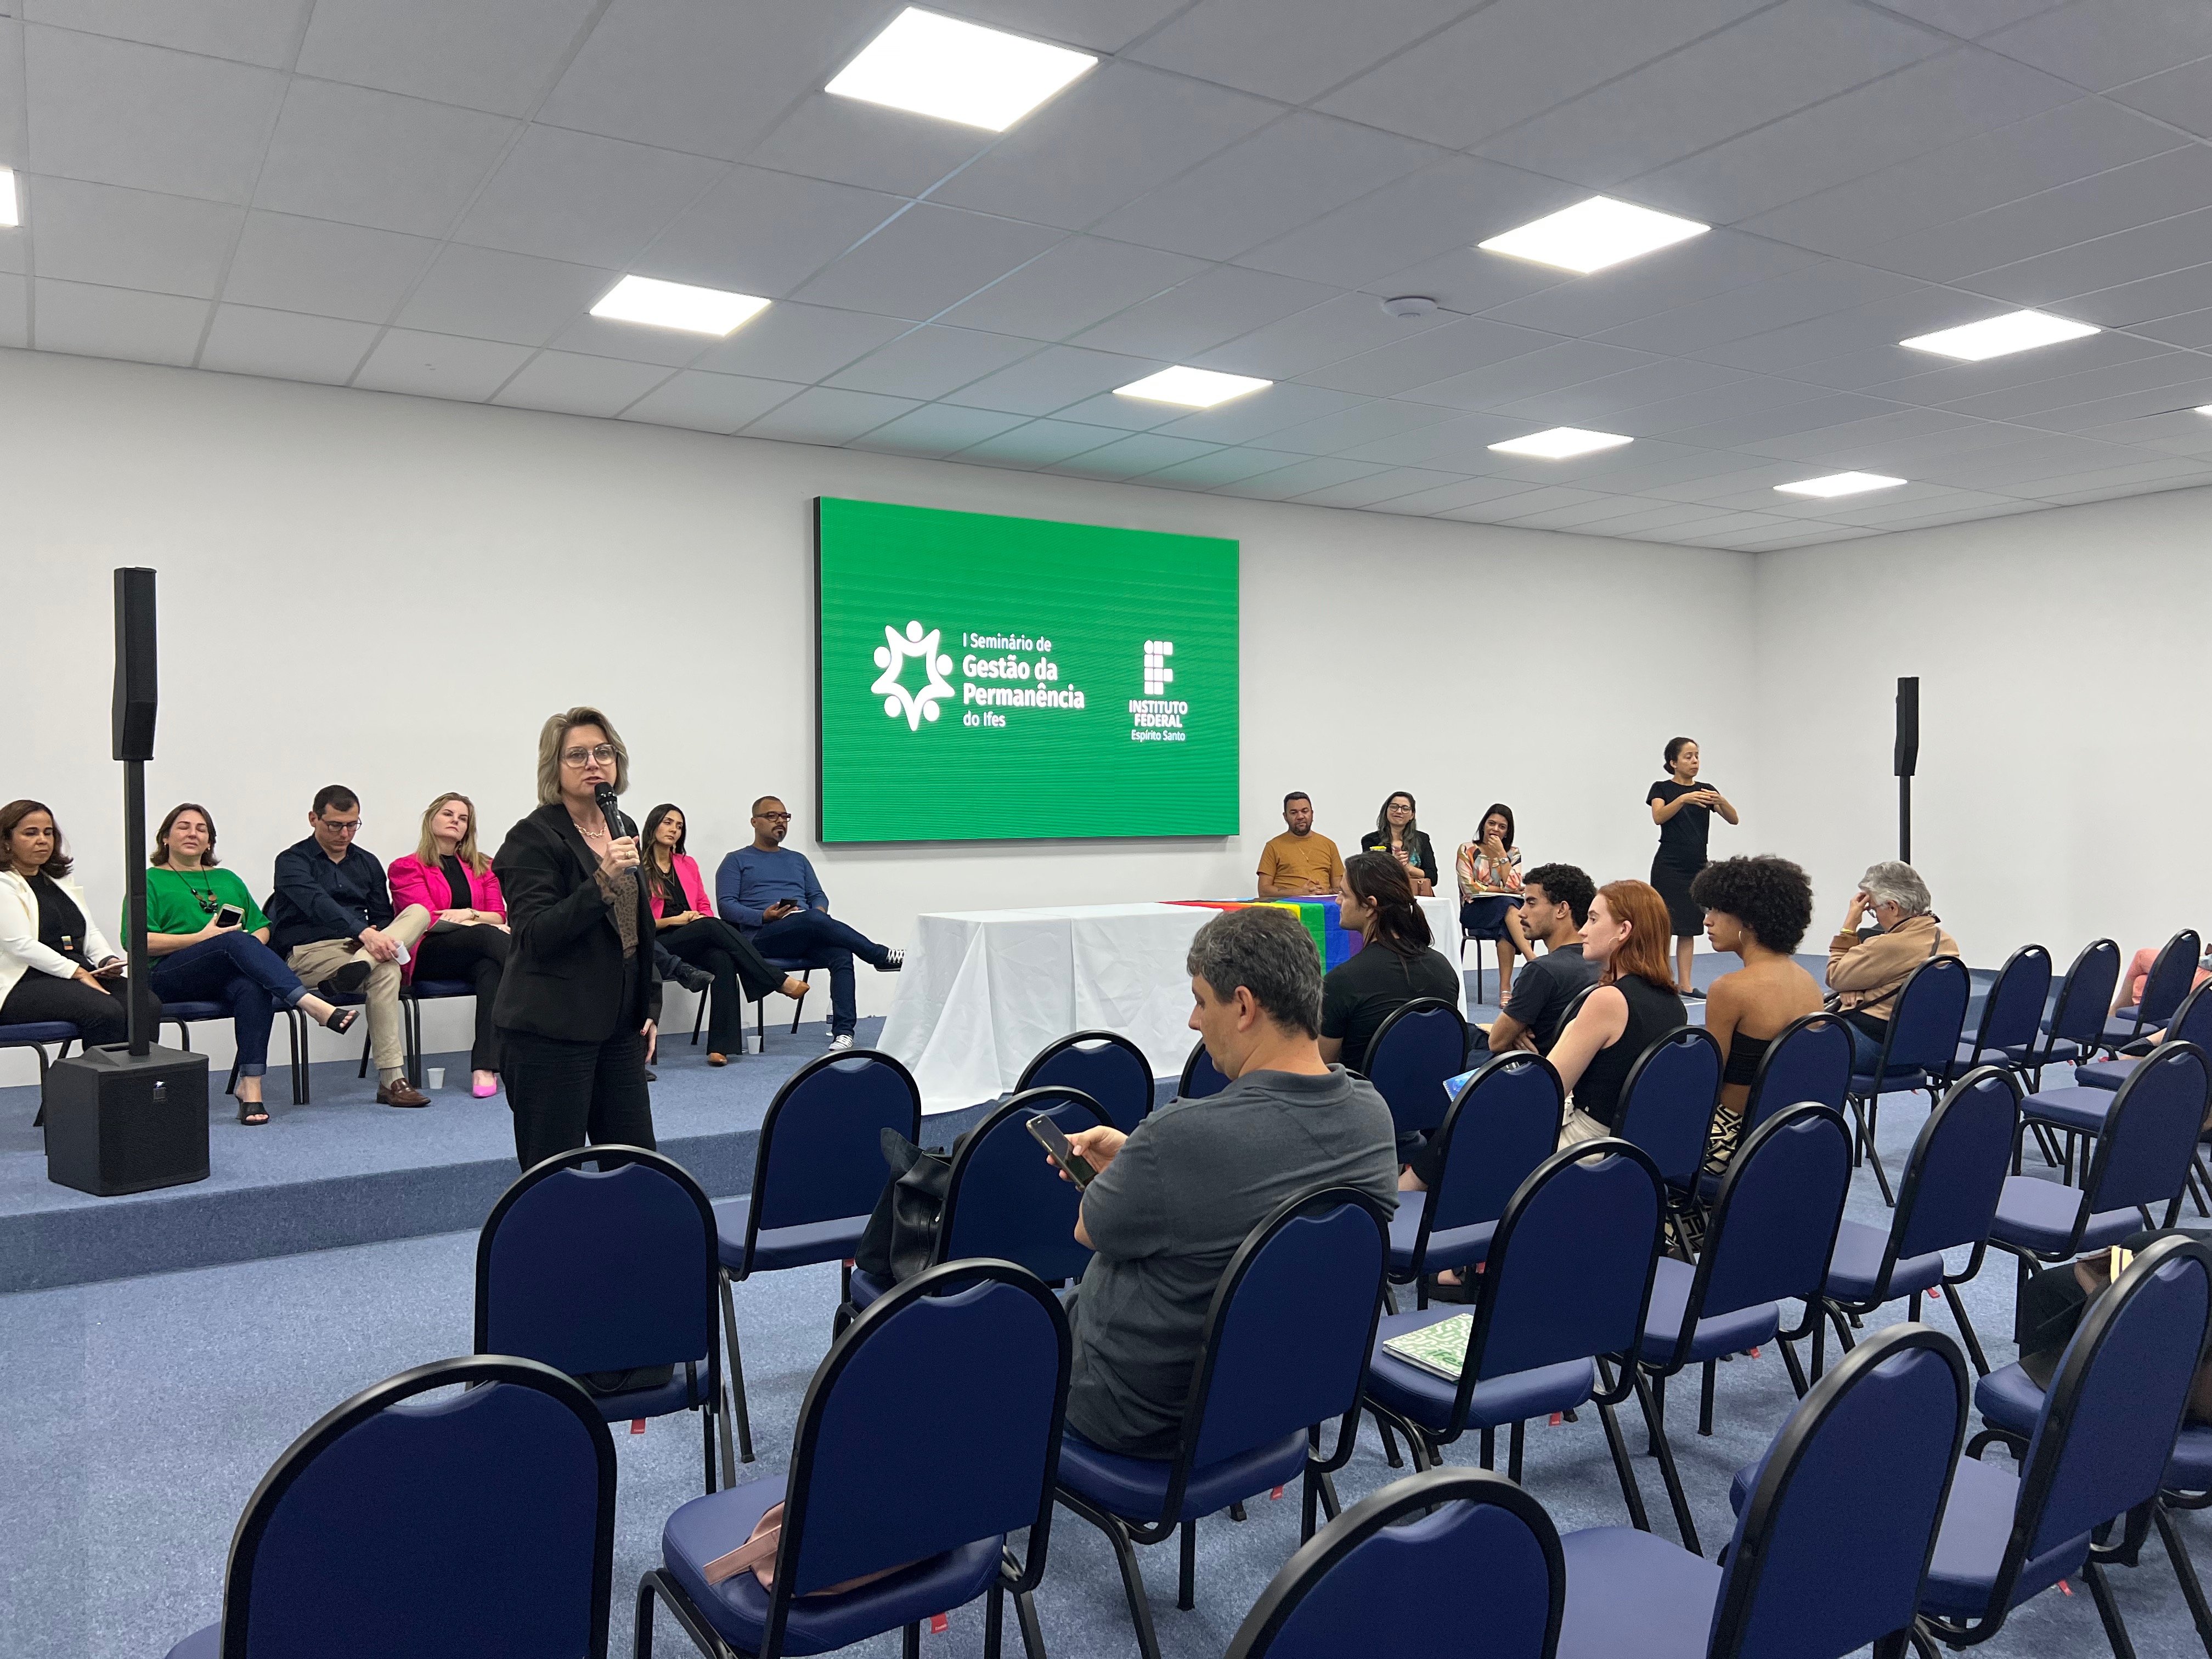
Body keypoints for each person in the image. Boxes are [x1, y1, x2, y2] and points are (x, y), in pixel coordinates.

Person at [1050, 905, 1398, 1455]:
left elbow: (1090, 1230)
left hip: (1142, 1413)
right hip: (1284, 1393)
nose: (1194, 1021)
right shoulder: (1372, 1115)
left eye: (1200, 1001)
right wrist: (1143, 1162)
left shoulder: (1177, 1136)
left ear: (1242, 1006)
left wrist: (1146, 1158)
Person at [491, 707, 661, 1170]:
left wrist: (648, 1005)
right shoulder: (531, 838)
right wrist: (602, 880)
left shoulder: (623, 826)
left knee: (635, 1165)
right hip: (551, 1029)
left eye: (603, 752)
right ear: (555, 768)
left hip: (619, 1027)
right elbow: (535, 936)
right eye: (577, 755)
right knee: (554, 1173)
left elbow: (635, 931)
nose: (593, 763)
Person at [141, 802, 360, 1125]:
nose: (193, 834)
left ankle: (251, 1087)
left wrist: (244, 945)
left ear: (210, 842)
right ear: (165, 838)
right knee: (232, 940)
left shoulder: (227, 879)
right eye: (184, 827)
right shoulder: (149, 881)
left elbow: (262, 927)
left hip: (223, 973)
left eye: (202, 829)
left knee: (252, 985)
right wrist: (203, 939)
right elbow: (138, 941)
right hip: (169, 975)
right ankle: (312, 1005)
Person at [266, 786, 433, 1108]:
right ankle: (392, 1079)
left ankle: (363, 963)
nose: (345, 834)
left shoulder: (367, 862)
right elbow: (318, 904)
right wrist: (365, 933)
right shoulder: (291, 861)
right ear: (313, 819)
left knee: (419, 913)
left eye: (352, 825)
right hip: (309, 951)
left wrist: (372, 936)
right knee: (387, 970)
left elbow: (383, 917)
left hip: (357, 949)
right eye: (335, 825)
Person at [714, 796, 901, 1055]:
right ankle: (879, 955)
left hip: (805, 930)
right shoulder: (736, 860)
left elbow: (817, 896)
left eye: (785, 816)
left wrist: (820, 915)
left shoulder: (798, 859)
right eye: (772, 816)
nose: (780, 821)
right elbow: (726, 906)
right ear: (754, 822)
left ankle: (844, 1033)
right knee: (813, 919)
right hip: (763, 937)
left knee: (841, 953)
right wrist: (763, 916)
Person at [640, 802, 805, 1066]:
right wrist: (676, 920)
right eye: (668, 823)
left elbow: (703, 904)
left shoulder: (687, 864)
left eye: (679, 826)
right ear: (653, 825)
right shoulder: (637, 867)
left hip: (691, 935)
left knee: (722, 958)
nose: (674, 830)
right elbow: (635, 922)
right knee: (711, 927)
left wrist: (699, 917)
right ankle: (776, 980)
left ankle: (721, 1047)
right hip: (656, 942)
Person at [1691, 855, 1825, 1168]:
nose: (1707, 921)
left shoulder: (1729, 989)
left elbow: (1708, 1080)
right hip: (1789, 1134)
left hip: (1731, 1141)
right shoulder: (1810, 984)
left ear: (1750, 921)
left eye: (1718, 910)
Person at [0, 799, 158, 1049]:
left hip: (74, 975)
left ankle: (142, 1074)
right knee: (105, 1011)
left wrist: (106, 960)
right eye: (31, 833)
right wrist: (77, 971)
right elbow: (19, 944)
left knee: (146, 1004)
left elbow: (88, 931)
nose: (42, 840)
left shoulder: (59, 882)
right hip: (22, 982)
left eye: (48, 833)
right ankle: (104, 1076)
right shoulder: (4, 884)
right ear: (6, 841)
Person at [387, 792, 510, 1099]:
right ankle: (543, 979)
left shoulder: (483, 866)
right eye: (448, 814)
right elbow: (426, 918)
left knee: (491, 968)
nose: (456, 821)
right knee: (489, 937)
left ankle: (485, 1067)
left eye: (463, 818)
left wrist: (469, 914)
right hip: (427, 953)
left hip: (475, 950)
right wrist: (481, 923)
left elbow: (499, 914)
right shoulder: (406, 867)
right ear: (431, 819)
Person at [1549, 879, 1686, 1137]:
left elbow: (1549, 1089)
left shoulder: (1609, 1000)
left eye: (1593, 919)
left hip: (1589, 1142)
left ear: (1623, 931)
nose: (1582, 931)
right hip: (1637, 1142)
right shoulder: (1674, 1003)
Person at [1318, 853, 1461, 1074]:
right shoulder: (1443, 968)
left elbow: (1321, 1070)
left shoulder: (1342, 981)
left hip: (1364, 1094)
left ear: (1370, 906)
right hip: (1433, 1093)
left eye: (1344, 894)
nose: (1337, 901)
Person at [1826, 860, 1959, 1074]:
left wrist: (1849, 926)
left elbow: (1834, 975)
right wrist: (1850, 985)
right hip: (1918, 1051)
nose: (1876, 917)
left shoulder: (1886, 946)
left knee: (1790, 1046)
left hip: (1876, 1051)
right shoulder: (1946, 942)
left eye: (1873, 910)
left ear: (1893, 907)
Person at [1647, 737, 1739, 1000]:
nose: (1695, 761)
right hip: (1669, 865)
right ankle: (1661, 980)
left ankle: (1685, 985)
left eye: (1697, 756)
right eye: (1688, 757)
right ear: (1673, 762)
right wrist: (1684, 799)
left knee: (1688, 927)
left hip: (1697, 866)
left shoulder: (1706, 790)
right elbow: (1659, 817)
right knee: (1665, 925)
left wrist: (1721, 801)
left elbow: (1733, 819)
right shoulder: (1661, 788)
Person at [1485, 862, 1601, 1056]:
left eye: (1531, 903)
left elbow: (1497, 1042)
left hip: (1531, 1065)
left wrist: (1515, 1032)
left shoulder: (1542, 970)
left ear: (1562, 910)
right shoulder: (1604, 963)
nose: (1521, 912)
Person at [1455, 802, 1534, 1000]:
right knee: (1507, 904)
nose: (1495, 829)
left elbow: (1514, 883)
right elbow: (1470, 888)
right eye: (1492, 823)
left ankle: (1505, 989)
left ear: (1507, 832)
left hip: (1505, 913)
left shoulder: (1513, 853)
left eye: (1502, 827)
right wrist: (1504, 889)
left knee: (1505, 921)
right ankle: (1532, 959)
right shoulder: (1467, 849)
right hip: (1475, 910)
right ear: (1484, 825)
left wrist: (1501, 855)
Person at [1255, 792, 1343, 899]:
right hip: (1287, 906)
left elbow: (1340, 889)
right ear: (1285, 817)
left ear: (1312, 813)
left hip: (1323, 904)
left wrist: (1326, 892)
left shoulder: (1329, 845)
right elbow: (1264, 891)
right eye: (1294, 813)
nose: (1300, 816)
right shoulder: (1273, 846)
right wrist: (1297, 892)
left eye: (1305, 811)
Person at [1357, 791, 1438, 895]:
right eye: (1394, 807)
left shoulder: (1422, 839)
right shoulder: (1371, 840)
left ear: (1412, 815)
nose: (1399, 811)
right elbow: (1369, 875)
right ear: (1386, 811)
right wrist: (1394, 863)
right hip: (1384, 896)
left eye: (1405, 808)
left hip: (1417, 895)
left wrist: (1409, 868)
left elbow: (1433, 877)